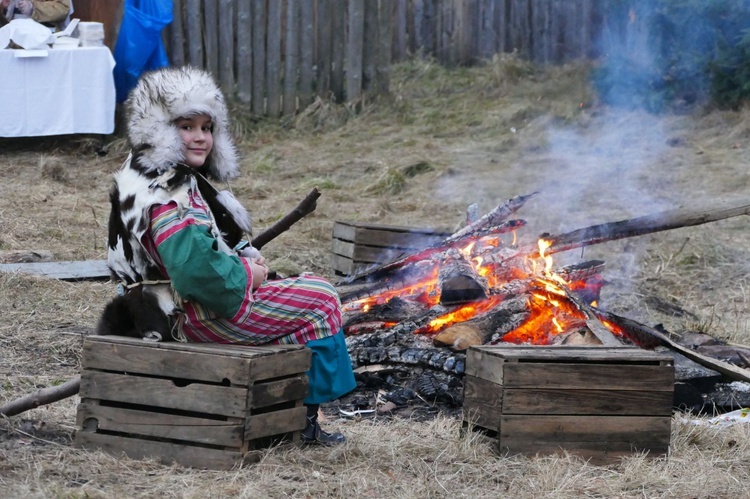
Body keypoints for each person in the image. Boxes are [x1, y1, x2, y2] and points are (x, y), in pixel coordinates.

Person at [99, 66, 356, 446]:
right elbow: (197, 274)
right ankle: (298, 423)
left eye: (207, 127)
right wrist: (247, 274)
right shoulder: (167, 190)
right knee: (320, 299)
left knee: (294, 289)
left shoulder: (149, 174)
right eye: (187, 126)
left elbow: (198, 250)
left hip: (159, 308)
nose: (200, 137)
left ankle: (275, 410)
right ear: (159, 127)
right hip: (183, 316)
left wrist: (244, 260)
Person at [1, 0, 71, 28]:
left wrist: (33, 8)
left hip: (43, 41)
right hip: (10, 41)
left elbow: (62, 10)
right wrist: (3, 7)